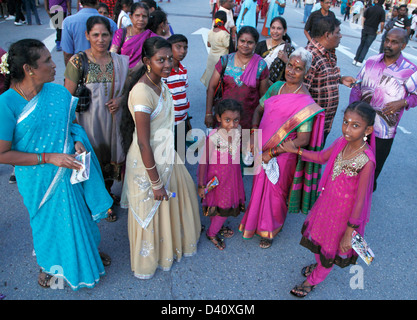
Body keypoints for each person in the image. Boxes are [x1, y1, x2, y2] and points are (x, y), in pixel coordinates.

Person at [0, 39, 113, 290]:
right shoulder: (6, 104)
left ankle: (86, 255)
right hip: (39, 179)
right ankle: (49, 267)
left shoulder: (59, 93)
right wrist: (48, 158)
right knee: (48, 223)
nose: (54, 65)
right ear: (29, 69)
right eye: (47, 61)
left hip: (70, 168)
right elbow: (2, 153)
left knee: (79, 215)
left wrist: (76, 141)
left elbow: (71, 125)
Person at [120, 37, 201, 279]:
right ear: (146, 61)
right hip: (149, 163)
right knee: (152, 211)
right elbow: (144, 142)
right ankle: (150, 259)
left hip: (167, 154)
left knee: (178, 196)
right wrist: (155, 182)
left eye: (169, 58)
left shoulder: (160, 84)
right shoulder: (143, 93)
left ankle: (171, 247)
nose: (167, 64)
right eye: (160, 60)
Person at [284, 102, 376, 298]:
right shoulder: (341, 142)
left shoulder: (366, 161)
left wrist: (349, 232)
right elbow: (321, 158)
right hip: (326, 207)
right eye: (345, 122)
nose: (347, 129)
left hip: (343, 218)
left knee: (330, 252)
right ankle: (318, 265)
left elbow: (360, 201)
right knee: (318, 240)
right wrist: (296, 151)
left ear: (368, 129)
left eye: (355, 125)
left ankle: (311, 282)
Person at [239, 48, 325, 249]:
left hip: (283, 155)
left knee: (276, 193)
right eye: (290, 65)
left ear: (306, 72)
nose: (292, 71)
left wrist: (274, 152)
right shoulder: (275, 87)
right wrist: (253, 135)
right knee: (258, 187)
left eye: (298, 68)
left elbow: (303, 139)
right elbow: (258, 110)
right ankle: (253, 222)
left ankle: (270, 229)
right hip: (262, 147)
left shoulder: (305, 102)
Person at [64, 16, 129, 222]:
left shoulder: (117, 60)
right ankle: (96, 203)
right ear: (87, 36)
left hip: (112, 123)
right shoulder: (78, 61)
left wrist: (120, 99)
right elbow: (68, 100)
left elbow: (128, 90)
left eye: (105, 35)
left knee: (111, 162)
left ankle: (107, 195)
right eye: (95, 35)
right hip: (87, 124)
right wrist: (72, 134)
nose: (101, 39)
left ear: (111, 36)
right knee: (93, 163)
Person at [349, 28, 417, 191]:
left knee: (372, 169)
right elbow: (356, 88)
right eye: (387, 40)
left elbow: (415, 96)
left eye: (394, 42)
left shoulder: (410, 70)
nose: (388, 44)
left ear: (403, 45)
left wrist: (402, 102)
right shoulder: (371, 61)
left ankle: (362, 203)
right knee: (351, 163)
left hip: (384, 131)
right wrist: (353, 114)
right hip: (360, 125)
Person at [197, 99, 246, 250]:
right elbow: (203, 161)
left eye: (236, 120)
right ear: (218, 118)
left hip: (231, 178)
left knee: (220, 205)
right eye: (227, 120)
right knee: (222, 206)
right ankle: (212, 233)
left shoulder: (238, 131)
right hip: (217, 179)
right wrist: (200, 184)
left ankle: (216, 225)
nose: (232, 124)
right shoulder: (213, 137)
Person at [205, 26, 269, 130]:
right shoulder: (225, 61)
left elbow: (264, 98)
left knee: (246, 146)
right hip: (225, 119)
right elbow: (211, 87)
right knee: (223, 145)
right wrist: (208, 113)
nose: (245, 45)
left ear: (255, 44)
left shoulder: (261, 65)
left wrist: (258, 124)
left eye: (250, 42)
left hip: (249, 121)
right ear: (237, 41)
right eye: (242, 41)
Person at [304, 16, 356, 143]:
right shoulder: (310, 57)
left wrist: (339, 79)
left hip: (324, 124)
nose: (341, 35)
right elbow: (301, 92)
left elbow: (321, 79)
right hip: (311, 126)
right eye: (338, 32)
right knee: (308, 159)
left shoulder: (329, 53)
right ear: (327, 35)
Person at [61, 0, 117, 66]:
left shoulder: (68, 22)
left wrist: (70, 73)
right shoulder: (111, 23)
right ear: (97, 2)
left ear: (80, 2)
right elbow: (114, 51)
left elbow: (67, 53)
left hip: (79, 68)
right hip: (103, 69)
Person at [163, 34, 191, 151]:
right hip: (168, 123)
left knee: (180, 154)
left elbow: (183, 95)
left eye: (185, 48)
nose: (182, 51)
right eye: (178, 47)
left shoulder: (183, 69)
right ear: (169, 49)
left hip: (182, 121)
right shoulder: (164, 71)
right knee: (167, 154)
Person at [110, 2, 157, 70]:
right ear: (131, 17)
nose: (141, 19)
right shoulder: (121, 34)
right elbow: (112, 55)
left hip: (142, 76)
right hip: (122, 74)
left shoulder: (151, 36)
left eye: (144, 16)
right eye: (137, 16)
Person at [255, 16, 295, 84]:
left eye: (279, 28)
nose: (275, 31)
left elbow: (294, 71)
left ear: (284, 31)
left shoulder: (288, 49)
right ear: (270, 29)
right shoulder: (261, 45)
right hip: (258, 84)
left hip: (276, 88)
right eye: (273, 28)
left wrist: (286, 60)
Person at [201, 11, 230, 88]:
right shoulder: (225, 34)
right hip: (221, 59)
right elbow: (228, 46)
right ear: (225, 21)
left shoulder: (211, 32)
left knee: (210, 75)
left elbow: (208, 44)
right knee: (218, 78)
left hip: (211, 57)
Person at [352, 0, 385, 67]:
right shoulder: (382, 11)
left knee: (362, 44)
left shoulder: (370, 8)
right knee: (366, 46)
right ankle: (359, 61)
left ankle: (355, 59)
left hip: (365, 28)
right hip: (373, 30)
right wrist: (381, 30)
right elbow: (382, 23)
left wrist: (363, 26)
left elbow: (363, 17)